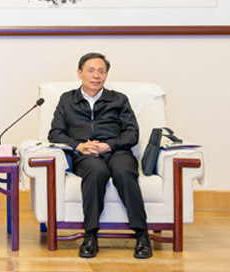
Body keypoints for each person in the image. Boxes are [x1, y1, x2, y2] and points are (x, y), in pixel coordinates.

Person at [48, 52, 152, 259]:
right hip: (85, 155)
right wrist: (79, 146)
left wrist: (109, 145)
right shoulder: (67, 100)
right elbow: (55, 133)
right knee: (96, 171)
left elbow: (132, 134)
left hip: (117, 151)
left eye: (101, 71)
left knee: (124, 172)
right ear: (79, 73)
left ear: (106, 75)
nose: (96, 76)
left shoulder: (119, 99)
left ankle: (142, 236)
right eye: (91, 71)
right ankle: (90, 236)